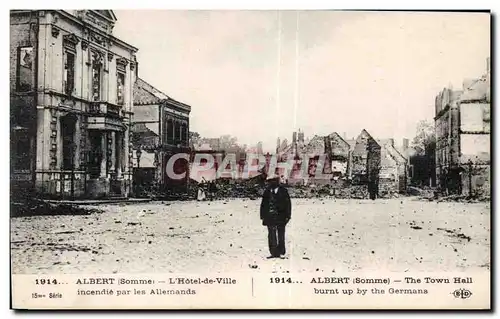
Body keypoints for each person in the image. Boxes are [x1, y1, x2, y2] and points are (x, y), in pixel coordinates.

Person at [260, 175, 292, 259]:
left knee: (281, 234)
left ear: (277, 181)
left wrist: (288, 216)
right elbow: (263, 204)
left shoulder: (283, 191)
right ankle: (273, 252)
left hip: (281, 217)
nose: (271, 183)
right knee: (271, 235)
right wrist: (262, 216)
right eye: (270, 181)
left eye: (273, 181)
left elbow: (288, 204)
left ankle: (281, 251)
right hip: (269, 217)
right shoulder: (267, 191)